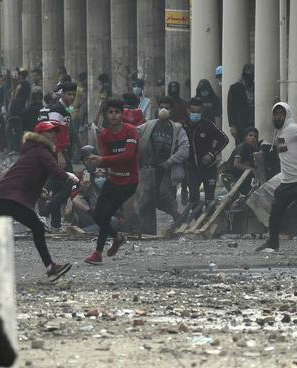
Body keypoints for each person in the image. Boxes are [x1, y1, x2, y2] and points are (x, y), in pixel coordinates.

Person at [0, 121, 77, 281]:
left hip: (1, 198)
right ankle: (50, 267)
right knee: (36, 228)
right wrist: (70, 176)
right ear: (40, 135)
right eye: (49, 132)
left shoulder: (32, 151)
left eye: (54, 132)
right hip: (8, 198)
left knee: (5, 233)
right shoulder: (41, 150)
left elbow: (26, 175)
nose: (53, 135)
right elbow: (55, 170)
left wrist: (39, 190)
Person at [83, 99, 139, 265]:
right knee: (97, 215)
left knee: (106, 214)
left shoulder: (131, 131)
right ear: (106, 115)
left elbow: (128, 156)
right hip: (113, 179)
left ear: (122, 114)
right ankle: (117, 237)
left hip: (129, 181)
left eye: (117, 112)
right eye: (110, 112)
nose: (114, 115)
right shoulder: (104, 135)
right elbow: (107, 160)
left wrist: (102, 159)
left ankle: (97, 253)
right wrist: (97, 162)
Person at [256, 102, 297, 252]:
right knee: (275, 211)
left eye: (281, 114)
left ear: (287, 115)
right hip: (286, 181)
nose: (278, 117)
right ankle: (272, 243)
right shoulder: (279, 132)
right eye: (276, 114)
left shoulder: (292, 128)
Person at [136, 96, 190, 235]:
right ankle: (148, 229)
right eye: (161, 106)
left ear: (172, 110)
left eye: (167, 107)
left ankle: (176, 215)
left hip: (167, 169)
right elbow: (133, 131)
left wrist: (169, 161)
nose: (164, 109)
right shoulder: (149, 125)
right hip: (149, 167)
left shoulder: (177, 129)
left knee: (164, 193)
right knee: (146, 197)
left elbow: (185, 149)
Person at [40, 81, 77, 230]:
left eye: (74, 95)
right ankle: (44, 212)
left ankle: (55, 223)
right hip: (58, 152)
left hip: (62, 151)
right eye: (69, 94)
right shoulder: (56, 109)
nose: (72, 97)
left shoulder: (65, 109)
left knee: (59, 186)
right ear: (62, 94)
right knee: (69, 183)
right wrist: (60, 154)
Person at [183, 97, 229, 206]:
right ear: (188, 111)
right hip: (192, 167)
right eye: (193, 112)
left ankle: (209, 220)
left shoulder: (208, 125)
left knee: (209, 200)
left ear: (202, 112)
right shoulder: (183, 127)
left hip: (209, 167)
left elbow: (224, 139)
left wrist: (211, 154)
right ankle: (196, 220)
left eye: (198, 112)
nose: (196, 114)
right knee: (193, 198)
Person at [221, 127, 260, 195]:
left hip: (240, 177)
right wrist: (252, 169)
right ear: (245, 137)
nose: (253, 138)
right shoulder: (242, 147)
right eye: (250, 135)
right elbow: (236, 164)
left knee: (250, 194)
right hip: (229, 175)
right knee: (234, 195)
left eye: (255, 136)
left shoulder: (253, 150)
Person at [228, 64, 255, 145]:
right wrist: (232, 126)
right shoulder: (235, 88)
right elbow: (230, 108)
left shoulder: (255, 86)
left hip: (253, 122)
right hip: (240, 124)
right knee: (241, 146)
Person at [7, 69, 31, 153]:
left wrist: (13, 94)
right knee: (17, 130)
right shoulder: (26, 84)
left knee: (14, 130)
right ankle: (18, 148)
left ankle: (16, 148)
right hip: (20, 109)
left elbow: (16, 93)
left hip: (17, 110)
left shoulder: (22, 84)